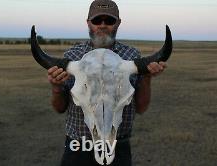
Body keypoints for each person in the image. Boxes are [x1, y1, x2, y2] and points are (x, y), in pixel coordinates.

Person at [47, 0, 167, 165]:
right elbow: (59, 108)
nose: (102, 25)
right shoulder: (72, 56)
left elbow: (141, 107)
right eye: (97, 20)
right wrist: (56, 87)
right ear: (88, 23)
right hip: (77, 147)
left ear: (118, 23)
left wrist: (146, 77)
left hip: (119, 146)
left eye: (109, 21)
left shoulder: (132, 55)